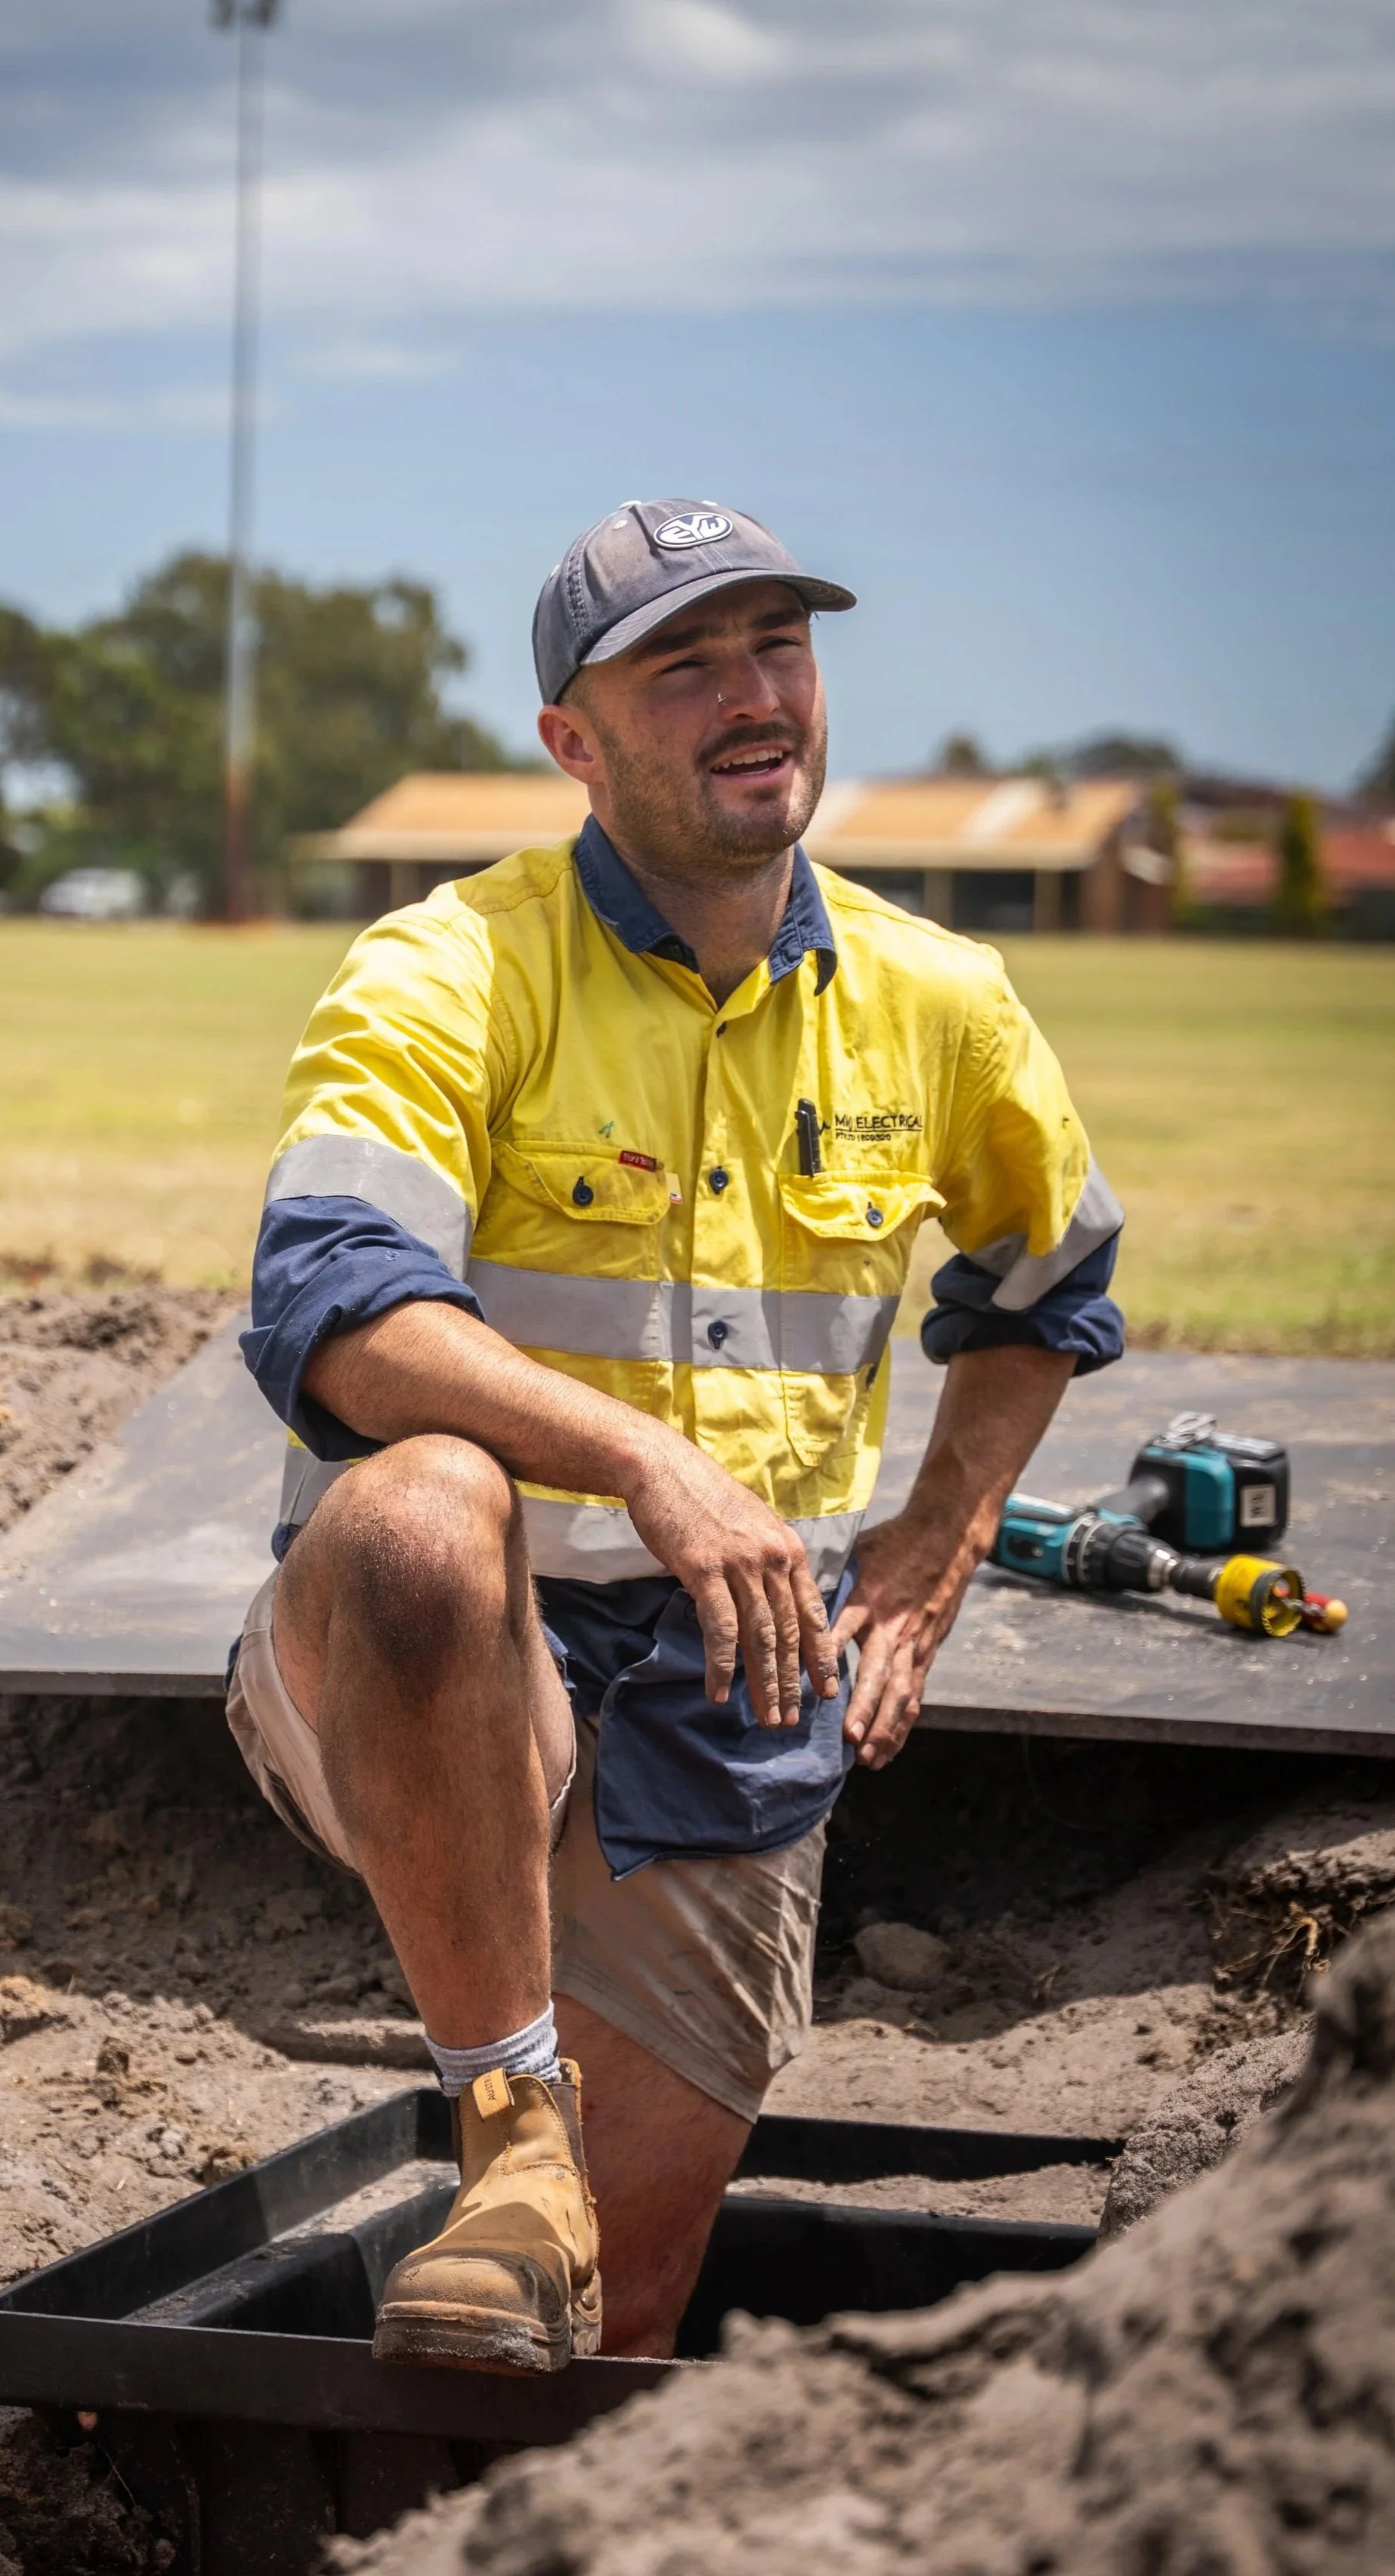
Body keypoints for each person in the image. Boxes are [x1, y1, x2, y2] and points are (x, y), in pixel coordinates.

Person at [226, 498, 1123, 2373]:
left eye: (780, 647)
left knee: (603, 2333)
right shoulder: (452, 966)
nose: (755, 696)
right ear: (574, 741)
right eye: (686, 664)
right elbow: (329, 1303)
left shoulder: (938, 1003)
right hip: (439, 1654)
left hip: (733, 1694)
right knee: (415, 1514)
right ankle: (507, 2121)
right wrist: (642, 1457)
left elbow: (1049, 1289)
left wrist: (932, 1560)